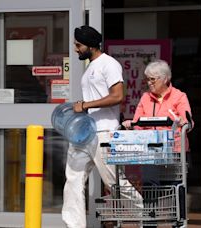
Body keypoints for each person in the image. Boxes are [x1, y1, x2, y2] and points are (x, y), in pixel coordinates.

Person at [62, 25, 142, 228]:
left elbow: (117, 96)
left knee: (113, 181)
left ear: (90, 45)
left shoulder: (109, 64)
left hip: (104, 131)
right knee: (73, 179)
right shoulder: (90, 67)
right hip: (85, 133)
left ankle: (145, 214)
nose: (75, 48)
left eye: (78, 45)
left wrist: (86, 105)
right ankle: (74, 225)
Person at [122, 60, 193, 185]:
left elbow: (188, 121)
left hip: (174, 150)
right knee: (149, 183)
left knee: (175, 186)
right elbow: (137, 122)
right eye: (148, 79)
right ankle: (152, 205)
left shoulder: (179, 96)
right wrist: (131, 125)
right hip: (151, 149)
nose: (149, 83)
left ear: (165, 79)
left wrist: (183, 122)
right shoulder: (145, 98)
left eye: (153, 79)